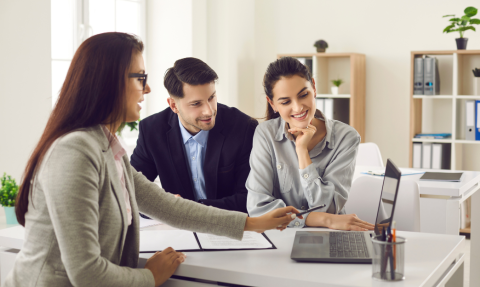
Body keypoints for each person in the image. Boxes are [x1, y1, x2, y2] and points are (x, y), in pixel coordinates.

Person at [6, 33, 300, 287]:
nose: (147, 89)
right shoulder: (74, 151)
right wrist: (150, 276)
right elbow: (87, 274)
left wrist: (251, 224)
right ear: (109, 83)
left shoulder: (107, 146)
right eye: (140, 78)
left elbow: (165, 206)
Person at [246, 56, 374, 231]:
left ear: (313, 87)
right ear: (272, 104)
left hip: (330, 235)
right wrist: (322, 219)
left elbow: (329, 208)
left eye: (303, 95)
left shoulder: (346, 137)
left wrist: (302, 152)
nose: (298, 108)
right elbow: (258, 210)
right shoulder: (265, 134)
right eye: (285, 102)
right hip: (281, 238)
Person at [131, 57, 257, 213]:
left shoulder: (243, 127)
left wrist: (187, 210)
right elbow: (131, 192)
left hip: (230, 227)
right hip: (177, 230)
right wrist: (164, 205)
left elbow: (250, 198)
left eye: (211, 98)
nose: (209, 110)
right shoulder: (152, 130)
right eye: (196, 104)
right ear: (173, 105)